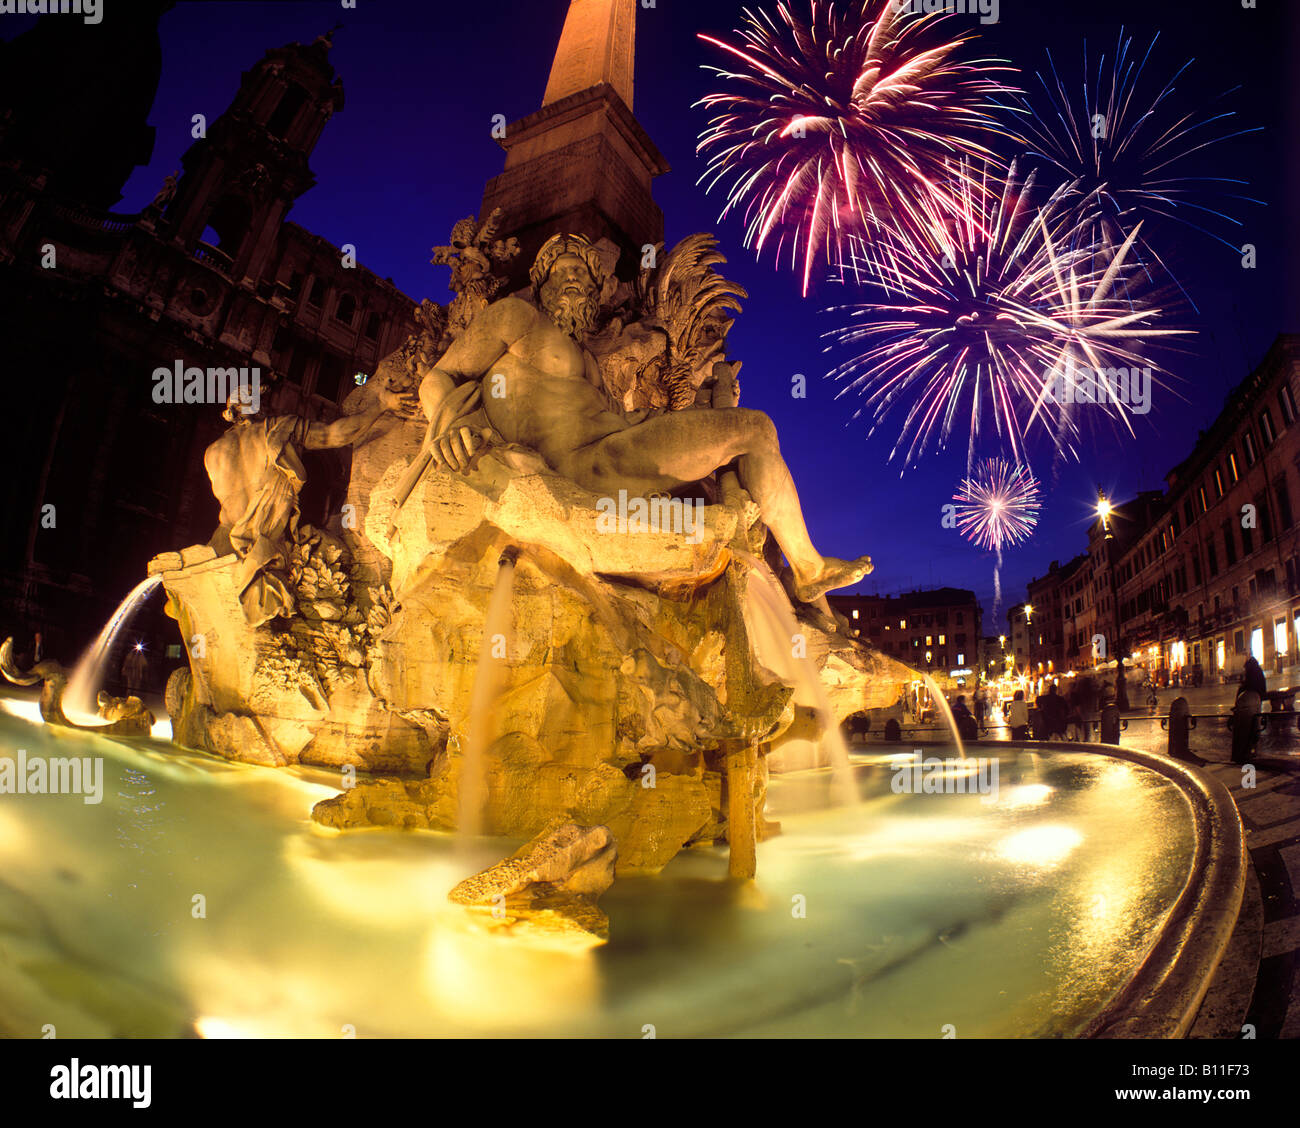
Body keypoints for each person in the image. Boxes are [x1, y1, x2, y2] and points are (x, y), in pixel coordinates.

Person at [414, 233, 873, 604]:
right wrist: (448, 424)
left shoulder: (587, 358)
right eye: (563, 269)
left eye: (583, 274)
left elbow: (618, 415)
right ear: (543, 281)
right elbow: (441, 375)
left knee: (753, 430)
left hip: (617, 448)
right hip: (581, 466)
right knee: (754, 430)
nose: (574, 278)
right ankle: (808, 569)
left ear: (596, 291)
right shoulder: (516, 316)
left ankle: (807, 570)